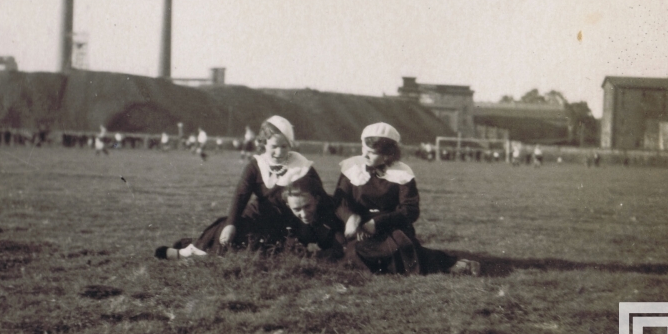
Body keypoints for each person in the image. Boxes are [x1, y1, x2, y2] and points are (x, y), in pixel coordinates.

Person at [155, 116, 327, 258]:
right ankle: (189, 251)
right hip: (260, 216)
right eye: (274, 146)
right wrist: (231, 224)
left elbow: (322, 200)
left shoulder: (302, 166)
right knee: (229, 230)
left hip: (293, 222)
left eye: (284, 146)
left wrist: (316, 234)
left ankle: (192, 249)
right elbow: (240, 195)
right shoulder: (256, 165)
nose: (280, 152)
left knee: (271, 252)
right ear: (263, 143)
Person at [334, 123, 479, 276]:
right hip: (359, 229)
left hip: (392, 226)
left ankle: (450, 263)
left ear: (388, 154)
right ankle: (449, 263)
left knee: (399, 248)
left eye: (372, 152)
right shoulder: (352, 167)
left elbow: (410, 210)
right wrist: (350, 218)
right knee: (359, 252)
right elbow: (339, 202)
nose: (364, 155)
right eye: (364, 148)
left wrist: (377, 223)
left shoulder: (402, 173)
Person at [156, 174, 345, 260]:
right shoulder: (277, 208)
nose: (304, 213)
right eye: (297, 209)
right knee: (237, 243)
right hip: (252, 230)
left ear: (317, 199)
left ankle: (188, 252)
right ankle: (189, 251)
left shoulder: (327, 209)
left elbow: (338, 243)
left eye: (308, 206)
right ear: (288, 204)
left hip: (269, 241)